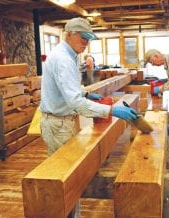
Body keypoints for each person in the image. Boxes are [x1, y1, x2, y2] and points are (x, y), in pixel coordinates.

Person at [40, 17, 138, 217]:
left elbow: (67, 89)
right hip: (58, 123)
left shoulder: (69, 54)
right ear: (69, 35)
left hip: (61, 121)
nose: (85, 43)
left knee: (68, 177)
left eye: (88, 39)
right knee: (65, 179)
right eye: (82, 38)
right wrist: (111, 111)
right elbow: (75, 104)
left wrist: (84, 93)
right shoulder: (63, 59)